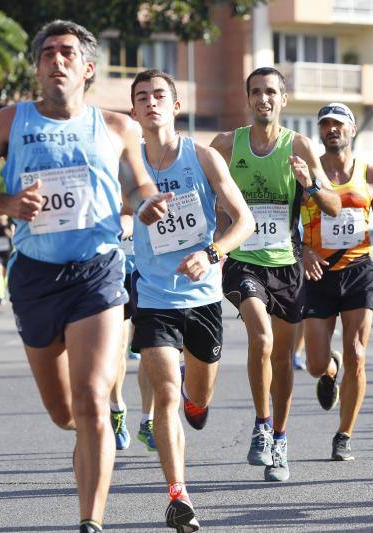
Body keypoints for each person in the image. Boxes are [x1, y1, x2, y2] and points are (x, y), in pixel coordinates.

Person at [0, 20, 174, 533]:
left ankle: (90, 521)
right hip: (34, 277)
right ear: (38, 67)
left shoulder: (117, 127)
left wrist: (146, 205)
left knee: (93, 400)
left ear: (87, 68)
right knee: (65, 413)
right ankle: (90, 433)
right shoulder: (11, 121)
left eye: (67, 52)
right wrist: (6, 203)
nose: (57, 59)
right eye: (48, 52)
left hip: (96, 271)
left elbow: (138, 185)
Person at [129, 69, 254, 531]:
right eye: (142, 97)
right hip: (153, 295)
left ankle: (196, 402)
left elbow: (243, 221)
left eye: (159, 95)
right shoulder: (131, 163)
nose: (151, 103)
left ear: (175, 105)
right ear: (135, 110)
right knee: (164, 393)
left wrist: (212, 252)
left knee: (194, 396)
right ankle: (178, 494)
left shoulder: (202, 158)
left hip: (202, 295)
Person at [211, 66, 340, 482]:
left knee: (284, 359)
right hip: (243, 260)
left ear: (284, 99)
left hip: (285, 264)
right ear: (247, 99)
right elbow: (204, 193)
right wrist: (215, 228)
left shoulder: (299, 146)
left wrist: (311, 184)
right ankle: (262, 426)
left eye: (271, 92)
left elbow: (334, 207)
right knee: (261, 337)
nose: (263, 99)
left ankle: (281, 439)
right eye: (256, 92)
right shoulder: (227, 144)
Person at [301, 102, 373, 461]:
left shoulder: (370, 173)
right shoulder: (308, 174)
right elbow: (285, 223)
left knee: (358, 353)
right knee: (313, 364)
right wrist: (302, 251)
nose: (332, 130)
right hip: (318, 273)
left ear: (352, 130)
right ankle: (330, 370)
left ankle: (344, 434)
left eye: (338, 124)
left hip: (358, 270)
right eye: (325, 124)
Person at [108, 208, 156, 455]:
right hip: (116, 271)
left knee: (152, 350)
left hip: (152, 270)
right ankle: (116, 410)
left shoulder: (158, 170)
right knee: (118, 350)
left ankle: (148, 419)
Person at [0, 214, 14, 305]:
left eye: (2, 215)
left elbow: (14, 237)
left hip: (7, 253)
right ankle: (0, 295)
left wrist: (8, 233)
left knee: (6, 275)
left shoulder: (10, 225)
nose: (0, 217)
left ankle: (5, 291)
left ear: (6, 216)